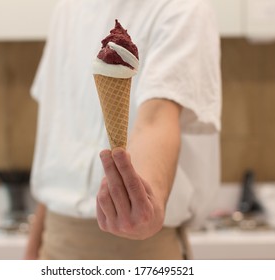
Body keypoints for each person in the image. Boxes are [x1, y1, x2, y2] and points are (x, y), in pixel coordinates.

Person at [25, 0, 221, 260]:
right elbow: (54, 139)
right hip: (54, 241)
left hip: (140, 251)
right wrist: (31, 252)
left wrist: (149, 202)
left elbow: (157, 118)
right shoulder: (67, 8)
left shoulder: (183, 9)